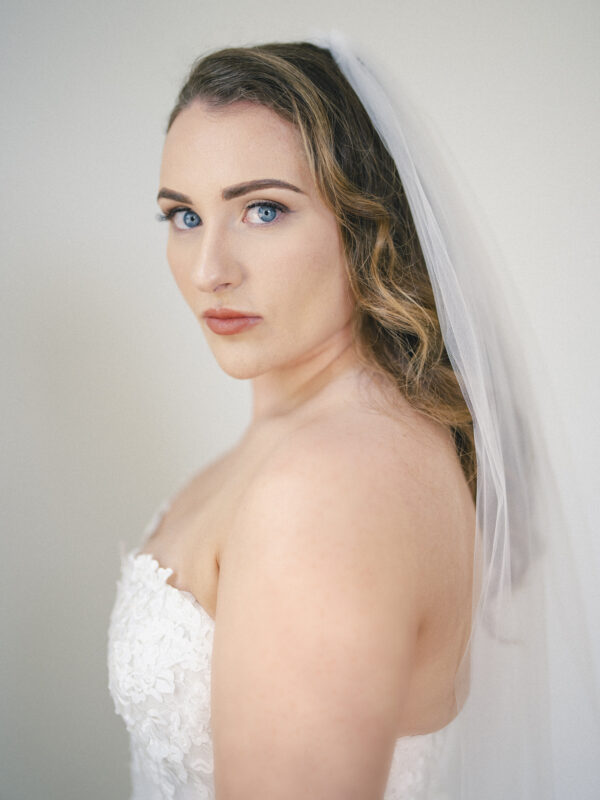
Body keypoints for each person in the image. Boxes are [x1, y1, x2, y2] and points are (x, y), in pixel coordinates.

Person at [107, 32, 600, 800]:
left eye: (263, 209)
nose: (210, 270)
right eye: (184, 216)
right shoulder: (317, 441)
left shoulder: (331, 487)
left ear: (365, 222)